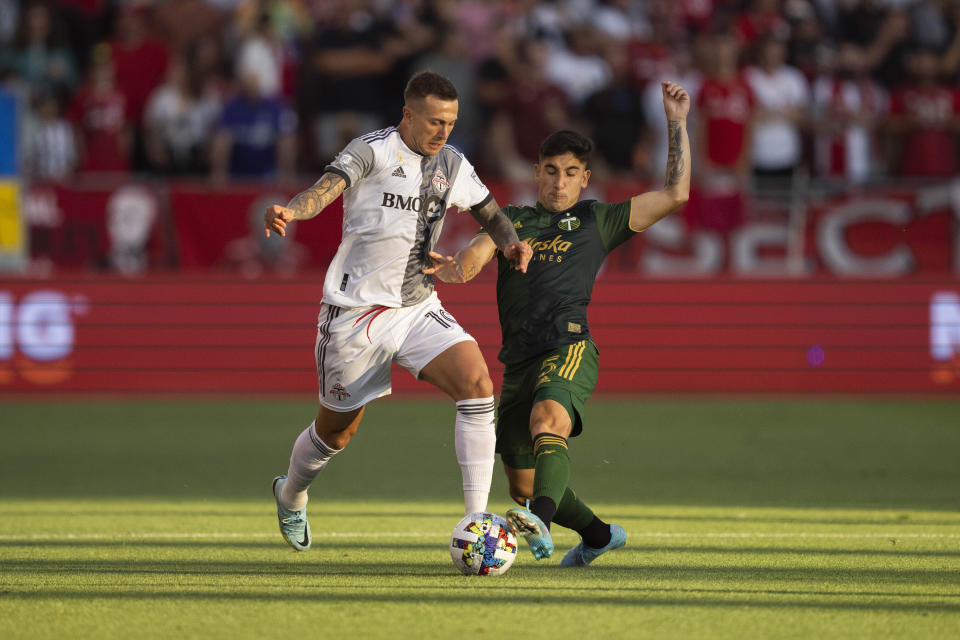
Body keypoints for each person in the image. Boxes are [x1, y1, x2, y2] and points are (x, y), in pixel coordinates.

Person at [263, 70, 533, 552]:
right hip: (355, 314)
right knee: (336, 432)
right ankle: (291, 493)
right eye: (433, 121)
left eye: (450, 122)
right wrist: (292, 211)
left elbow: (491, 213)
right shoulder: (373, 150)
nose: (443, 131)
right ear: (408, 115)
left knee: (477, 382)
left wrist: (511, 244)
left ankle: (476, 525)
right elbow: (326, 187)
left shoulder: (452, 163)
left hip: (415, 305)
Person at [423, 81, 691, 565]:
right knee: (524, 487)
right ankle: (600, 534)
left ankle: (541, 525)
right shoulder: (511, 219)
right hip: (518, 361)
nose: (559, 183)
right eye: (550, 171)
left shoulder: (598, 220)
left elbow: (675, 193)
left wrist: (675, 123)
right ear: (536, 172)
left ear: (585, 178)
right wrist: (452, 267)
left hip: (568, 347)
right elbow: (473, 258)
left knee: (549, 423)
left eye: (570, 173)